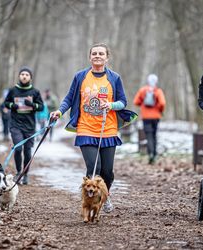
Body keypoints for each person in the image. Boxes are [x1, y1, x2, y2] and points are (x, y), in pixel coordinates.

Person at [50, 43, 137, 213]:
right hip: (86, 128)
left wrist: (110, 105)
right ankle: (89, 201)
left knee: (107, 172)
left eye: (101, 53)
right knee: (94, 168)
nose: (97, 56)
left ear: (107, 57)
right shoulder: (80, 77)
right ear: (90, 57)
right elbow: (69, 98)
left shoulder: (114, 78)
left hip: (108, 129)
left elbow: (123, 102)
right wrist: (59, 112)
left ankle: (104, 196)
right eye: (94, 53)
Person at [4, 66, 44, 185]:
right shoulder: (13, 90)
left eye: (27, 75)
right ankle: (18, 172)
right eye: (22, 74)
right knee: (18, 147)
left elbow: (41, 107)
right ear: (19, 76)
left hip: (30, 126)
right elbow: (6, 103)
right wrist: (12, 105)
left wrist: (32, 105)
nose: (24, 76)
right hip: (15, 124)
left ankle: (25, 174)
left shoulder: (35, 92)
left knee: (27, 151)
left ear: (30, 77)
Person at [133, 74, 166, 164]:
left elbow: (136, 102)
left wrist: (142, 103)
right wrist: (159, 109)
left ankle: (150, 154)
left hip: (146, 117)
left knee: (149, 136)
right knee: (154, 135)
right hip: (156, 117)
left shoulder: (143, 90)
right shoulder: (158, 91)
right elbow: (162, 103)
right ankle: (154, 155)